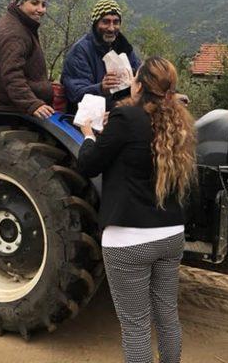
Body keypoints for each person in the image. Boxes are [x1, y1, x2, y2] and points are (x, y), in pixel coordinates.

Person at [76, 57, 197, 363]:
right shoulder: (178, 120)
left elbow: (89, 165)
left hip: (129, 239)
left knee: (136, 327)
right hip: (171, 234)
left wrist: (89, 135)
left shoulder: (125, 118)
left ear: (139, 84)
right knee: (168, 318)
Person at [61, 0, 141, 113]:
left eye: (116, 22)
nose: (111, 28)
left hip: (121, 112)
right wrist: (101, 88)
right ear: (96, 23)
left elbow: (141, 74)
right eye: (106, 21)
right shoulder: (80, 51)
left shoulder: (124, 47)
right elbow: (75, 93)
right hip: (88, 117)